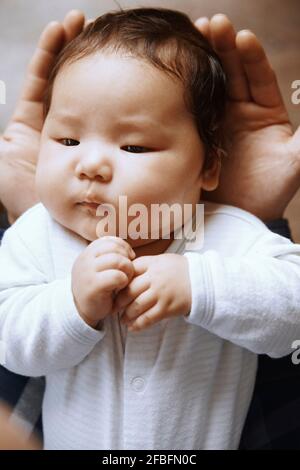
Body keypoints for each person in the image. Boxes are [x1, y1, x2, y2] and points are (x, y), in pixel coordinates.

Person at [1, 7, 300, 450]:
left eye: (134, 145)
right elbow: (11, 345)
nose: (91, 165)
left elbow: (291, 315)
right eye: (67, 140)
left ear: (209, 165)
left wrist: (200, 284)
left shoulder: (228, 233)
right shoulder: (34, 237)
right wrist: (71, 303)